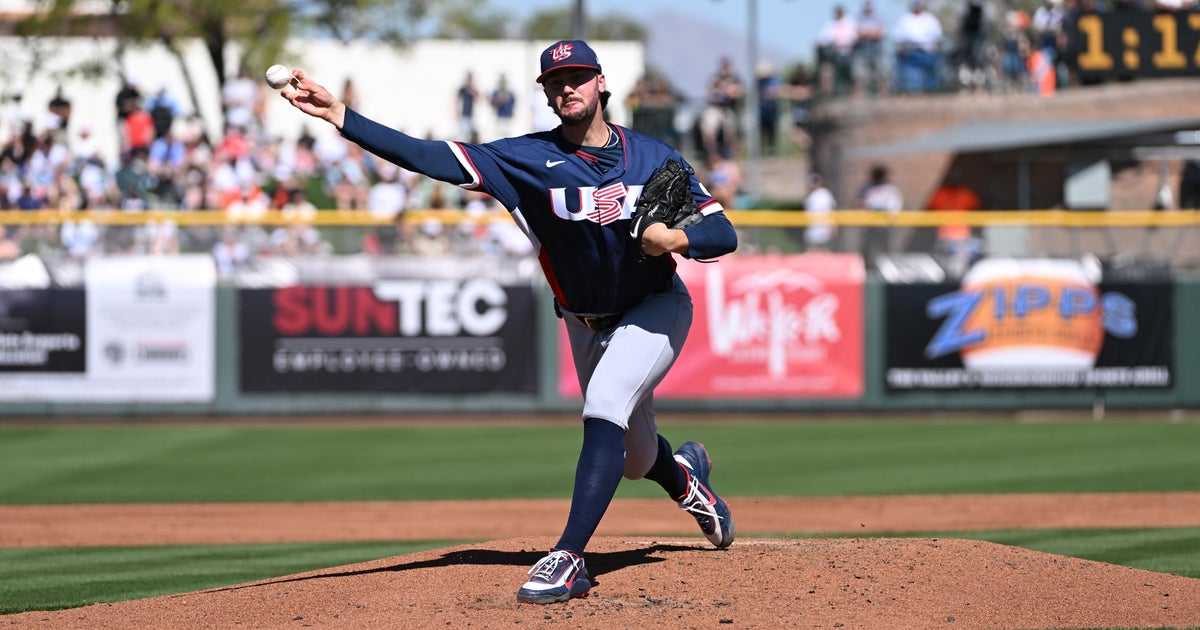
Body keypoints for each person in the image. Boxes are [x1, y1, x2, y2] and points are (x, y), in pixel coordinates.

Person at [280, 39, 738, 604]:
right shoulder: (523, 160)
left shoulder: (653, 157)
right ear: (546, 94)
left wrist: (676, 237)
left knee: (604, 407)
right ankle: (688, 476)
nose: (567, 86)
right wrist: (340, 117)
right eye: (555, 80)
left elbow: (723, 232)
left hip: (656, 305)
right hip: (583, 320)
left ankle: (569, 557)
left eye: (577, 76)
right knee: (637, 459)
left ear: (601, 83)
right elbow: (430, 157)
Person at [857, 164, 904, 262]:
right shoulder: (867, 187)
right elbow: (860, 203)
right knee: (868, 245)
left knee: (885, 246)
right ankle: (866, 265)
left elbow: (896, 204)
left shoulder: (890, 188)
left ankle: (887, 265)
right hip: (870, 221)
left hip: (885, 221)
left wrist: (891, 217)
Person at [804, 173, 837, 251]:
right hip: (813, 227)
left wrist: (833, 225)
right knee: (813, 251)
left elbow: (831, 210)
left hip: (824, 227)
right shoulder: (811, 196)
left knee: (824, 250)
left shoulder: (825, 194)